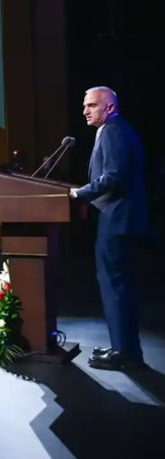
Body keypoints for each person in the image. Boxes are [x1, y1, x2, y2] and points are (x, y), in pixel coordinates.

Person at [69, 86, 151, 371]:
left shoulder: (114, 130)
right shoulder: (113, 129)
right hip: (117, 220)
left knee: (116, 287)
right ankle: (124, 348)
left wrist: (80, 193)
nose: (85, 111)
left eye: (91, 105)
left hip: (117, 221)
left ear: (109, 108)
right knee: (117, 286)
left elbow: (113, 176)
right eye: (84, 106)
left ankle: (126, 354)